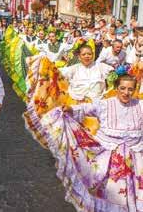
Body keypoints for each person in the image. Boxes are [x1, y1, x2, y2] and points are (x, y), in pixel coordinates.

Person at [40, 75, 143, 212]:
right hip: (110, 159)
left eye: (130, 89)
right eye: (122, 88)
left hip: (135, 161)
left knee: (135, 194)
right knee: (111, 194)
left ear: (135, 90)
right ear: (116, 88)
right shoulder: (105, 104)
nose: (126, 92)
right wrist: (70, 109)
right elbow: (85, 108)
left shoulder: (140, 105)